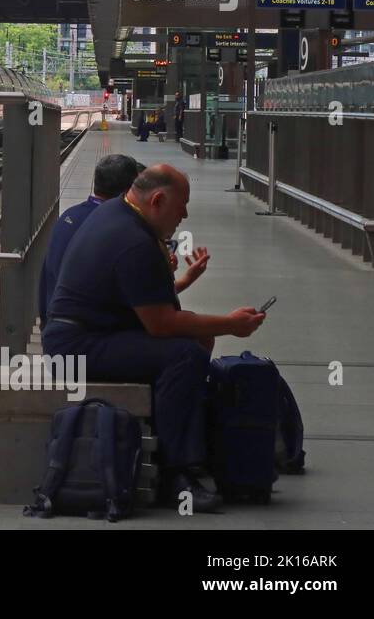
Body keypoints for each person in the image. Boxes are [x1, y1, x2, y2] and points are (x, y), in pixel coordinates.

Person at [43, 164, 265, 513]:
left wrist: (205, 322)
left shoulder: (120, 215)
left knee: (193, 344)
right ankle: (176, 474)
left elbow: (152, 306)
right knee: (184, 356)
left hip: (83, 333)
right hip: (77, 347)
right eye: (182, 206)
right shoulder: (132, 241)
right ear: (158, 200)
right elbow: (161, 324)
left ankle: (189, 450)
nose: (185, 215)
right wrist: (230, 324)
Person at [37, 154, 142, 328]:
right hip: (85, 333)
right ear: (130, 189)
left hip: (53, 323)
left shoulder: (69, 215)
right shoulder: (118, 225)